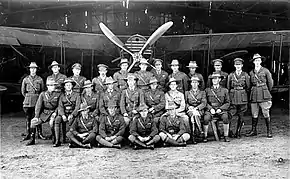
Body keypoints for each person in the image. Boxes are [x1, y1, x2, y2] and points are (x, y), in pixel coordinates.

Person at [26, 78, 61, 145]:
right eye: (50, 85)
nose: (52, 87)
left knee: (51, 123)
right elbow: (38, 106)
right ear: (47, 86)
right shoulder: (43, 94)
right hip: (45, 113)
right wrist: (36, 116)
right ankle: (32, 139)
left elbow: (59, 106)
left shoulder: (58, 94)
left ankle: (54, 137)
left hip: (53, 113)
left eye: (53, 85)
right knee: (33, 122)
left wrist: (55, 113)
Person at [246, 53, 274, 138]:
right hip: (254, 94)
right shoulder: (251, 72)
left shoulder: (265, 71)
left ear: (261, 61)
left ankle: (269, 131)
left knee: (266, 112)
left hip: (264, 93)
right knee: (254, 113)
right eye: (256, 61)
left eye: (259, 60)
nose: (257, 62)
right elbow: (249, 85)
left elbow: (270, 83)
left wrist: (266, 91)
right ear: (253, 62)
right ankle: (254, 130)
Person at [21, 62, 45, 141]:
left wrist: (37, 98)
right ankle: (28, 134)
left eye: (34, 68)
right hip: (28, 101)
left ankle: (40, 133)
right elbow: (23, 91)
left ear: (36, 70)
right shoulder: (26, 79)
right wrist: (28, 97)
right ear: (29, 69)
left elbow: (42, 90)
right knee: (28, 118)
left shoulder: (40, 79)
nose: (33, 70)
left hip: (37, 100)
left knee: (37, 117)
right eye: (31, 68)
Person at [227, 58, 250, 138]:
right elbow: (228, 87)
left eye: (239, 65)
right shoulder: (231, 75)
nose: (238, 66)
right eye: (236, 65)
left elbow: (248, 87)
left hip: (242, 97)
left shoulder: (245, 75)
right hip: (233, 97)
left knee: (241, 115)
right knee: (231, 114)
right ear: (234, 65)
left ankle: (238, 132)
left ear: (242, 65)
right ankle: (229, 131)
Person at [54, 78, 81, 147]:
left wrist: (72, 114)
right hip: (64, 113)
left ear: (72, 86)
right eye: (67, 85)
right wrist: (63, 115)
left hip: (73, 114)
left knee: (72, 121)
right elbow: (60, 107)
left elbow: (77, 107)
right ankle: (57, 141)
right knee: (57, 119)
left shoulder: (77, 95)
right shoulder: (62, 95)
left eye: (70, 85)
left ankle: (71, 141)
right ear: (64, 87)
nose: (68, 86)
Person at [204, 72, 230, 142]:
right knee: (206, 118)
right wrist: (210, 108)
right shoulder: (207, 90)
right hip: (211, 109)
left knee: (225, 117)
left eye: (216, 79)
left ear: (219, 80)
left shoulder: (225, 90)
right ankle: (205, 136)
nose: (214, 80)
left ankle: (226, 135)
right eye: (213, 79)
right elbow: (205, 102)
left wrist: (220, 109)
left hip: (221, 109)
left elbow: (227, 103)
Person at [185, 76, 207, 144]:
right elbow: (185, 103)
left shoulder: (202, 92)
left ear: (198, 84)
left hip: (199, 110)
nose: (194, 84)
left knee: (194, 116)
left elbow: (204, 103)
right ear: (191, 83)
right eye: (193, 82)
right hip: (190, 110)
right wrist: (189, 107)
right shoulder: (187, 93)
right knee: (193, 115)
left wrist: (197, 108)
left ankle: (194, 135)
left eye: (196, 82)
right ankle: (200, 131)